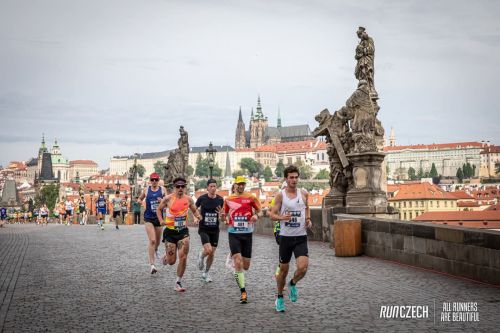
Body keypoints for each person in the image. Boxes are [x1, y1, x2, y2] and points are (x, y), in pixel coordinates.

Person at [269, 165, 312, 312]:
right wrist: (281, 217)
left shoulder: (304, 193)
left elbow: (307, 207)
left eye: (296, 177)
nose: (294, 180)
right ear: (286, 179)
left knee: (303, 268)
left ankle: (292, 284)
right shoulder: (280, 195)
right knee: (283, 271)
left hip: (300, 237)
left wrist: (308, 219)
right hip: (286, 238)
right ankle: (280, 297)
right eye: (291, 177)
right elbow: (271, 214)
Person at [157, 177, 201, 292]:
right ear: (174, 187)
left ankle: (178, 282)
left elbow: (194, 209)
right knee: (172, 262)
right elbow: (158, 209)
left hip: (183, 232)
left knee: (183, 257)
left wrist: (198, 216)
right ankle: (167, 256)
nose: (180, 188)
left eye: (182, 186)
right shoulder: (168, 199)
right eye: (178, 186)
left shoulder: (189, 199)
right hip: (170, 232)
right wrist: (161, 220)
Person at [222, 176, 261, 304]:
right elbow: (225, 215)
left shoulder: (251, 197)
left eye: (243, 184)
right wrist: (224, 218)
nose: (241, 186)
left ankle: (236, 263)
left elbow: (260, 211)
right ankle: (243, 292)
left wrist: (255, 215)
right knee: (238, 263)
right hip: (233, 233)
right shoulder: (228, 199)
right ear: (235, 185)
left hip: (247, 233)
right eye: (239, 184)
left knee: (246, 266)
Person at [195, 179, 224, 283]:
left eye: (214, 186)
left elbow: (222, 215)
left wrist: (222, 216)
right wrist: (196, 217)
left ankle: (206, 273)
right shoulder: (202, 198)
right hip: (204, 228)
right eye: (211, 186)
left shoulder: (220, 199)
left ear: (216, 187)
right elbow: (194, 209)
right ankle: (201, 255)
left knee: (212, 253)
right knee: (208, 250)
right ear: (207, 188)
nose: (213, 188)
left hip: (215, 229)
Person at [138, 172, 166, 274]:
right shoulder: (146, 190)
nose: (154, 182)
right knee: (152, 241)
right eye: (152, 180)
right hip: (148, 218)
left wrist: (162, 201)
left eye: (156, 180)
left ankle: (156, 249)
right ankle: (152, 265)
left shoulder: (162, 190)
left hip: (158, 219)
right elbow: (139, 199)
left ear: (158, 181)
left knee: (157, 242)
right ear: (150, 180)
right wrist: (143, 203)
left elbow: (168, 203)